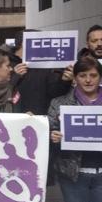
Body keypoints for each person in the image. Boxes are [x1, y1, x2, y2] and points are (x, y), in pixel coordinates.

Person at [48, 56, 102, 202]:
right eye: (82, 75)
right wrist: (53, 136)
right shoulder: (59, 103)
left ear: (100, 77)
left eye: (93, 75)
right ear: (75, 78)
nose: (88, 80)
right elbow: (48, 133)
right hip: (72, 175)